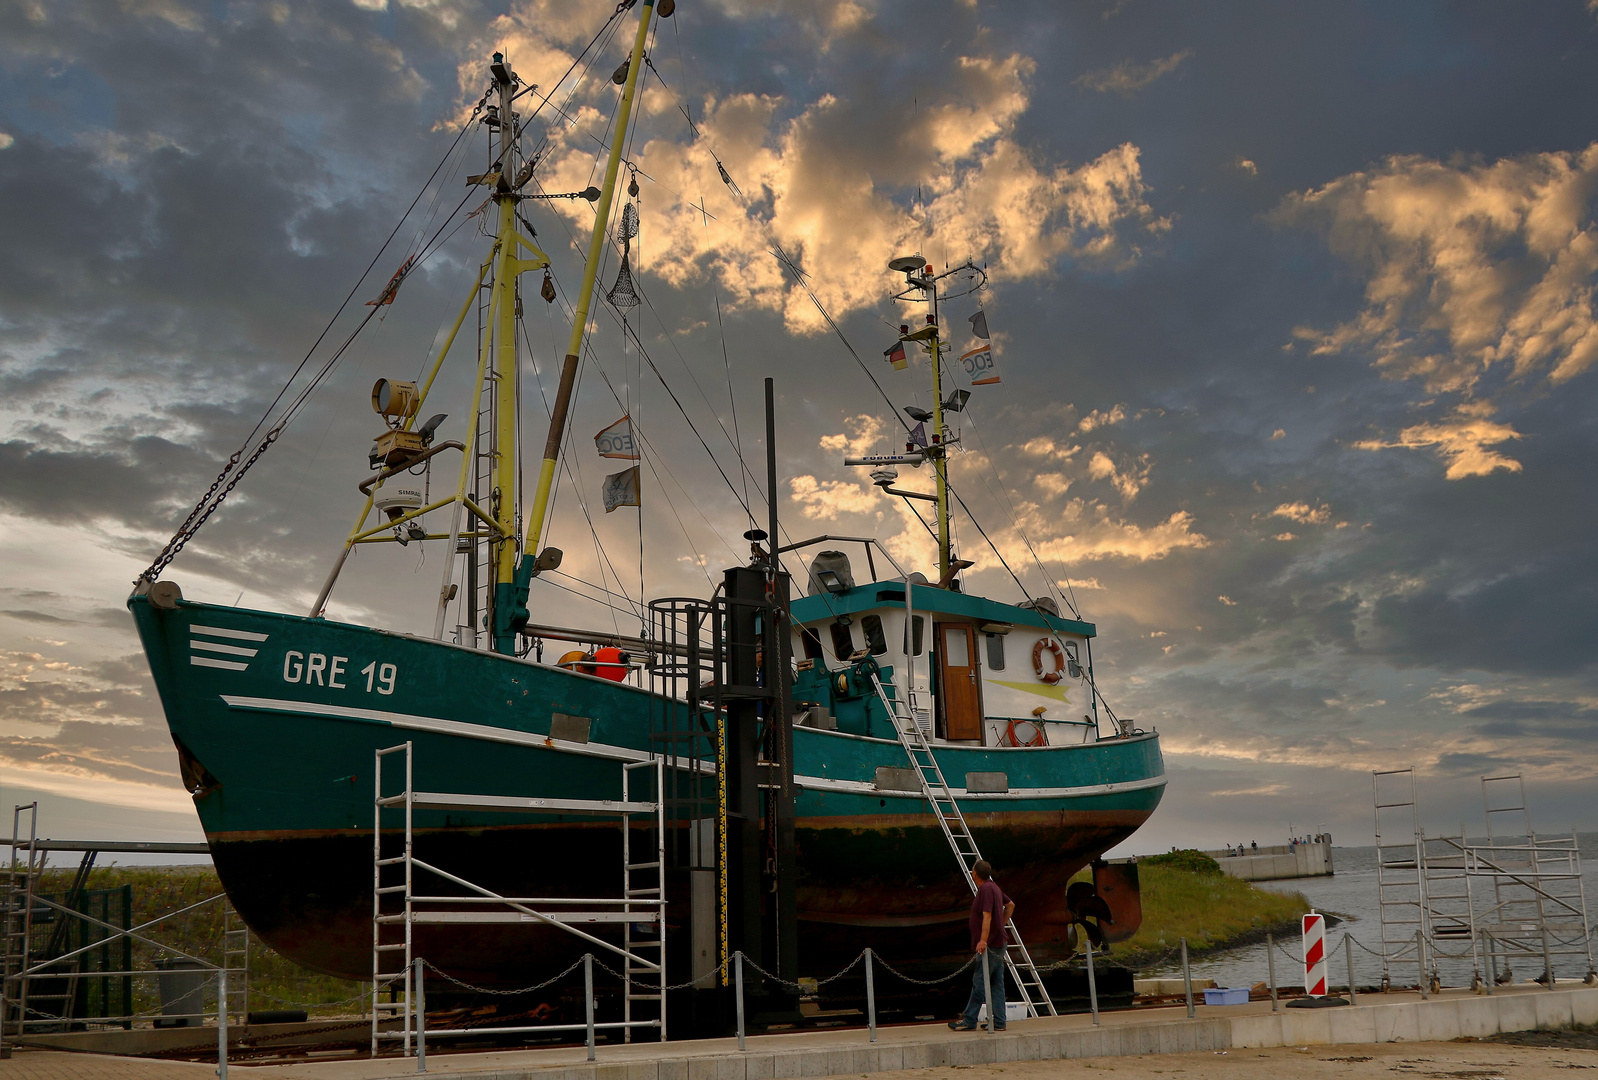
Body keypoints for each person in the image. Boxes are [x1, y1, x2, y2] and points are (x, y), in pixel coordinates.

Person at [950, 860, 1013, 1031]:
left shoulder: (985, 889)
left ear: (975, 874)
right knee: (996, 983)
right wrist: (1001, 924)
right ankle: (999, 1021)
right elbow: (1010, 905)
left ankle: (969, 1019)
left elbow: (987, 916)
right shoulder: (994, 887)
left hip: (991, 945)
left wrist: (983, 939)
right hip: (999, 943)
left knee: (980, 981)